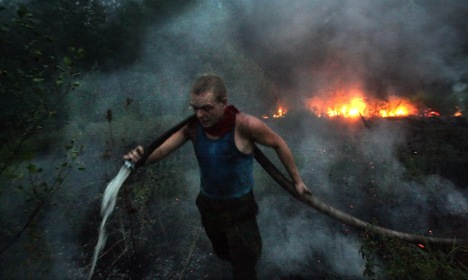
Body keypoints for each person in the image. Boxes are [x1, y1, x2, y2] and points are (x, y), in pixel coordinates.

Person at [124, 73, 310, 280]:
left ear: (224, 103)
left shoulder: (246, 125)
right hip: (209, 206)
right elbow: (161, 151)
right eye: (195, 108)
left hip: (240, 209)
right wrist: (139, 160)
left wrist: (297, 181)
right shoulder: (193, 128)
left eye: (206, 108)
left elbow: (278, 143)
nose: (200, 115)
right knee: (223, 253)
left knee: (246, 263)